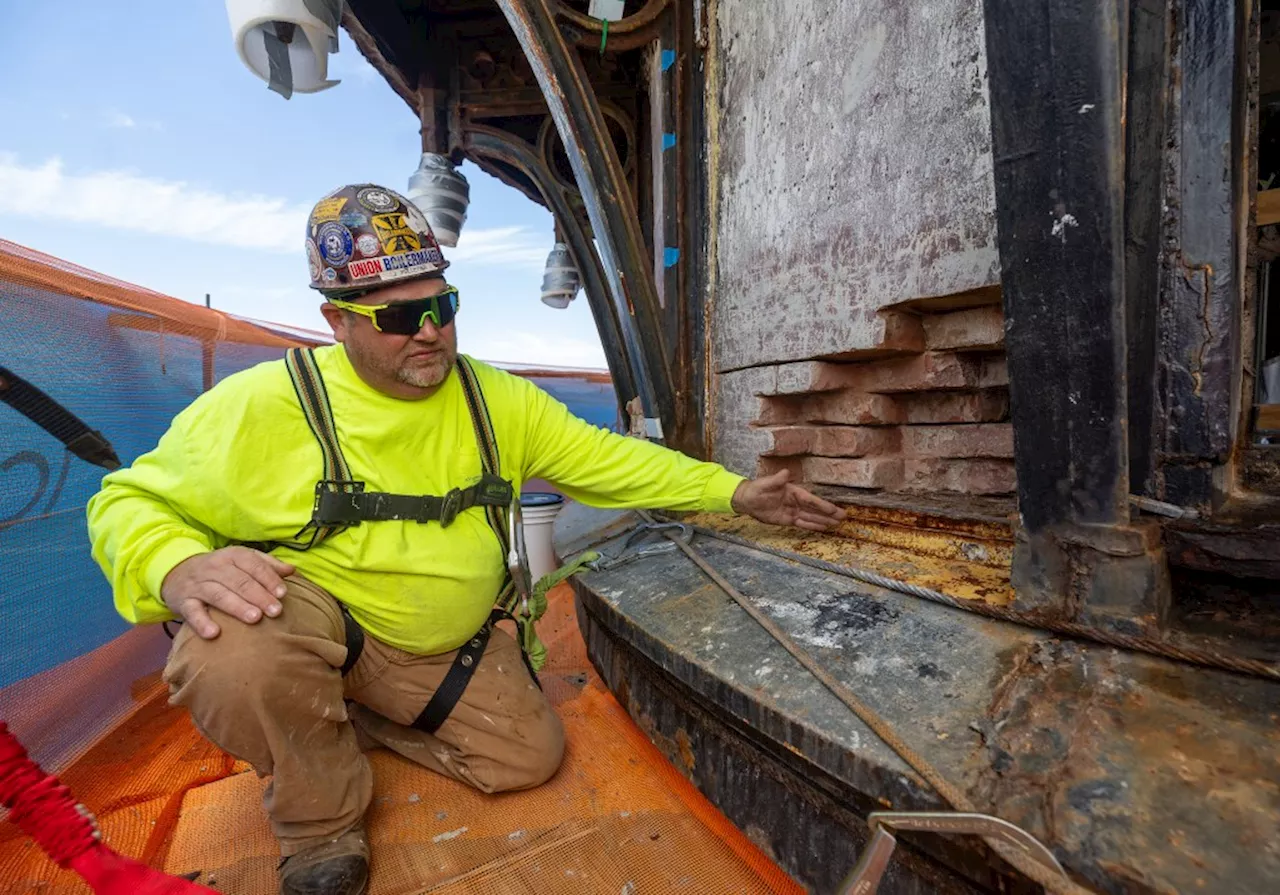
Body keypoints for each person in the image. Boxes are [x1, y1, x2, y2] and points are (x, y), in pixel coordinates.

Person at [86, 183, 845, 895]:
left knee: (526, 759)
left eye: (442, 304)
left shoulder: (495, 398)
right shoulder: (261, 405)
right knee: (233, 650)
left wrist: (736, 491)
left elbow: (608, 461)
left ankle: (339, 721)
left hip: (434, 650)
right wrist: (176, 563)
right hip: (314, 626)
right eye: (395, 317)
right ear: (337, 321)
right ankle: (320, 825)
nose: (429, 332)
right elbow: (125, 502)